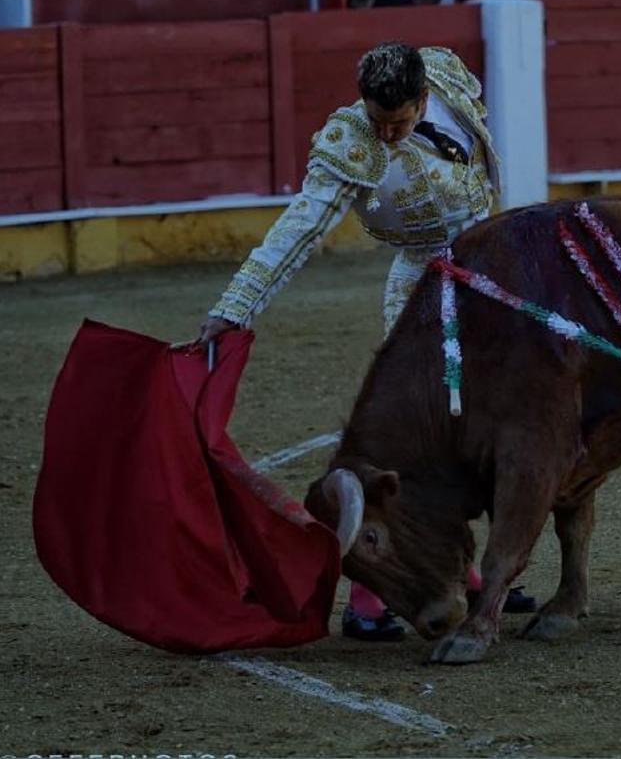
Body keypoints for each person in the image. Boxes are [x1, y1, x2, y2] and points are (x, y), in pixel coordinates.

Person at [193, 42, 535, 640]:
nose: (385, 133)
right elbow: (295, 232)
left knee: (492, 425)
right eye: (377, 119)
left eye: (398, 122)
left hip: (491, 272)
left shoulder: (447, 74)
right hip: (424, 289)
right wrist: (235, 308)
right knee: (419, 438)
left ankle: (472, 569)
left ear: (424, 97)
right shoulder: (348, 145)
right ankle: (370, 595)